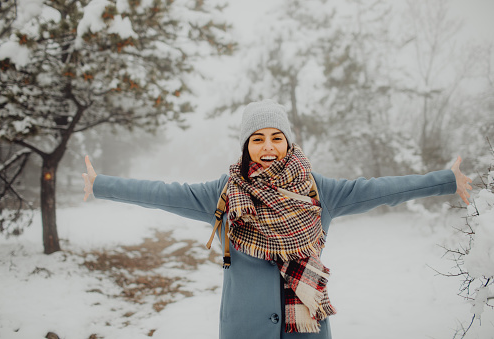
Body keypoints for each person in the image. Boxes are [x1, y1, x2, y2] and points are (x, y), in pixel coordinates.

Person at [82, 99, 472, 339]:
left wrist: (444, 181)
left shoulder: (317, 190)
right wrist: (101, 185)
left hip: (307, 328)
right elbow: (162, 193)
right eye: (258, 138)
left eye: (276, 137)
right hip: (243, 330)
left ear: (288, 142)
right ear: (246, 146)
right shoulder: (225, 193)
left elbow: (378, 190)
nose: (268, 146)